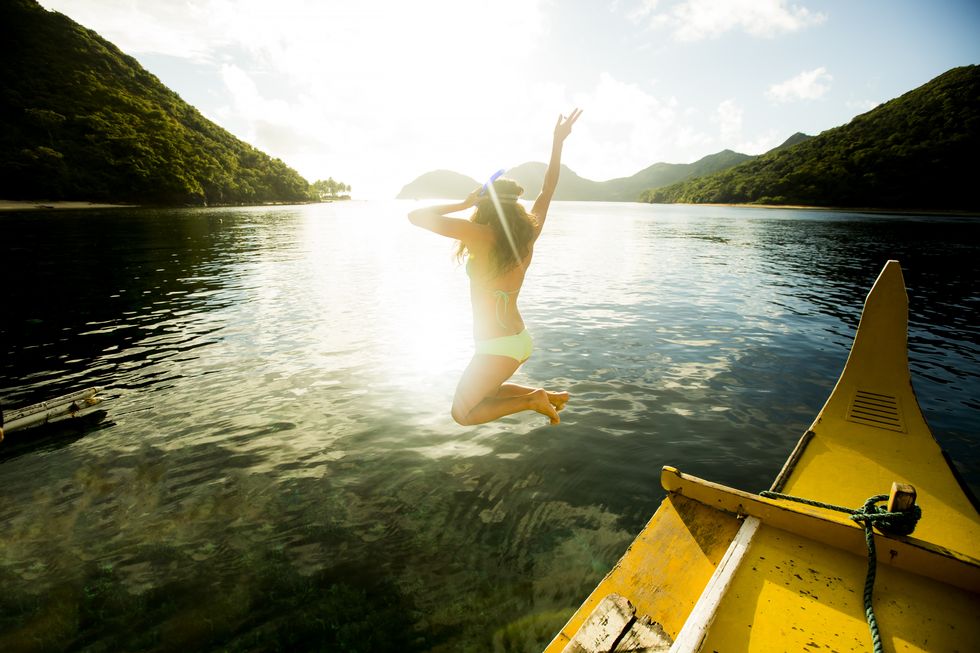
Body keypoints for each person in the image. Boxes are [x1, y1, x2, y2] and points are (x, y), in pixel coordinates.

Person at [408, 109, 582, 425]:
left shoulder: (479, 235)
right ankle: (541, 396)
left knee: (462, 414)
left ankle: (533, 399)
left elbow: (415, 217)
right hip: (516, 339)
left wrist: (462, 204)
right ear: (515, 205)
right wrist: (557, 142)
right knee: (485, 395)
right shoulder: (529, 233)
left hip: (497, 345)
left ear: (485, 204)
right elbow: (547, 190)